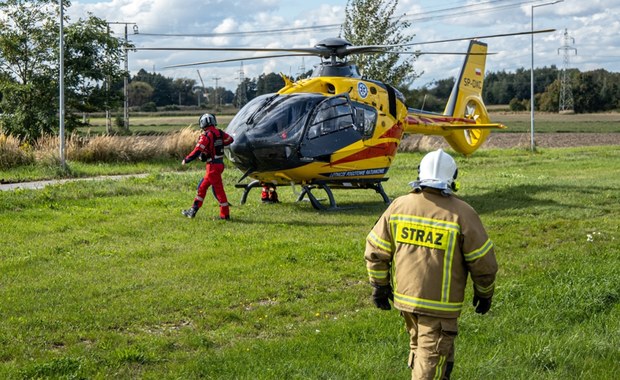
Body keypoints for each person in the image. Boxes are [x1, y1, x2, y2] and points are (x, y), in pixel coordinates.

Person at [364, 149, 498, 379]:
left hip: (406, 302)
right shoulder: (462, 214)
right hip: (439, 307)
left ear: (420, 174)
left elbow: (376, 251)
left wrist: (379, 286)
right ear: (452, 178)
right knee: (430, 362)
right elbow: (483, 264)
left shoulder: (398, 206)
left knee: (426, 352)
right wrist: (484, 294)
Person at [181, 113, 234, 220]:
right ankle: (193, 210)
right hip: (219, 164)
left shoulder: (207, 135)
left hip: (212, 167)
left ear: (203, 123)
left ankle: (225, 215)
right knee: (202, 187)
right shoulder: (219, 132)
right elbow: (230, 140)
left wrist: (187, 159)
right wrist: (218, 144)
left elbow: (197, 150)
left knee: (219, 191)